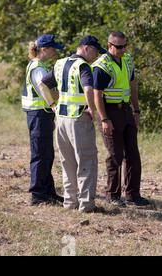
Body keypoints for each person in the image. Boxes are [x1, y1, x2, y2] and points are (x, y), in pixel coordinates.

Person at [40, 36, 105, 213]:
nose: (97, 55)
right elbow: (89, 89)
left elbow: (42, 84)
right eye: (95, 50)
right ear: (85, 48)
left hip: (61, 120)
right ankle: (86, 205)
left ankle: (70, 202)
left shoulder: (60, 63)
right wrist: (93, 110)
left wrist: (52, 105)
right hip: (79, 119)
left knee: (67, 162)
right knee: (87, 160)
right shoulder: (83, 66)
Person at [93, 31, 149, 207]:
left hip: (125, 111)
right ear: (109, 45)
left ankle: (133, 195)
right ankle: (113, 195)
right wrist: (104, 119)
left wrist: (136, 110)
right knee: (115, 155)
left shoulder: (127, 59)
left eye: (125, 45)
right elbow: (97, 95)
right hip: (110, 112)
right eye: (119, 47)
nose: (123, 49)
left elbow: (132, 85)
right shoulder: (102, 66)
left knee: (133, 154)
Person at [22, 34, 64, 206]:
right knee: (40, 154)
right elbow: (43, 88)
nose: (55, 51)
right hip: (38, 115)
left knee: (46, 154)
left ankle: (48, 191)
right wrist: (55, 102)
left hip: (41, 114)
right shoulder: (38, 68)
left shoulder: (38, 65)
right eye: (53, 48)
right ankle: (38, 194)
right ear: (44, 49)